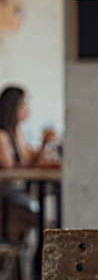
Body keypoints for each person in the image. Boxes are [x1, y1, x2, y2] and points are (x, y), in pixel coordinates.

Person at [0, 86, 56, 240]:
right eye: (24, 103)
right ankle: (35, 256)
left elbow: (31, 159)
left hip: (19, 191)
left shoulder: (18, 132)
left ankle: (33, 255)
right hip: (7, 194)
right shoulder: (2, 135)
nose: (27, 109)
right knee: (44, 214)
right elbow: (11, 168)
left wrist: (44, 144)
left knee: (46, 213)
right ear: (13, 106)